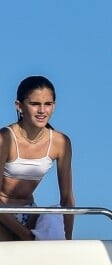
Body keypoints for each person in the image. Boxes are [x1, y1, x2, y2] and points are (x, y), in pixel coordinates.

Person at [0, 75, 75, 240]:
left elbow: (67, 198)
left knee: (54, 218)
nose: (42, 110)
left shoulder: (60, 142)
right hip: (2, 213)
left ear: (54, 106)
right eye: (34, 104)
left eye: (47, 104)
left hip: (30, 212)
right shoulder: (4, 139)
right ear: (19, 106)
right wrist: (25, 235)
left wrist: (68, 242)